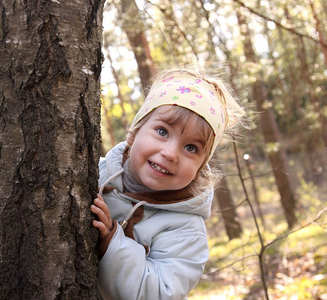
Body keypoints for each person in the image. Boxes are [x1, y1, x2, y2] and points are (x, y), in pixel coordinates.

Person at [91, 68, 245, 300]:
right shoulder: (95, 172)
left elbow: (160, 294)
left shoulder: (185, 230)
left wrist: (112, 243)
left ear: (200, 168)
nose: (171, 153)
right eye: (162, 131)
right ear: (134, 134)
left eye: (191, 148)